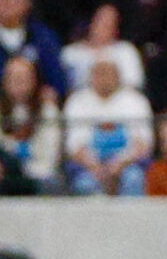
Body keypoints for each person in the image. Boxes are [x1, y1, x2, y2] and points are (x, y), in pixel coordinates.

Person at [62, 51, 156, 194]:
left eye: (108, 72)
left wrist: (118, 165)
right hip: (89, 165)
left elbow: (143, 144)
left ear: (118, 74)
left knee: (134, 178)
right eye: (99, 72)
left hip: (127, 163)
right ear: (91, 75)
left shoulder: (136, 101)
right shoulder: (77, 101)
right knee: (85, 184)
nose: (104, 78)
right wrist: (96, 168)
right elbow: (74, 146)